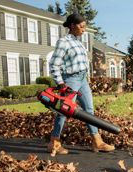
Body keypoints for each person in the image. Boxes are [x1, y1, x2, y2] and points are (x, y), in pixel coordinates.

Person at [48, 13, 115, 154]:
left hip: (82, 80)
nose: (83, 30)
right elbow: (53, 64)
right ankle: (54, 142)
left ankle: (97, 142)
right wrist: (60, 83)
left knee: (89, 111)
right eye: (81, 26)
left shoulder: (79, 43)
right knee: (63, 111)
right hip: (70, 80)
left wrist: (87, 78)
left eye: (85, 27)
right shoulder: (63, 42)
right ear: (73, 26)